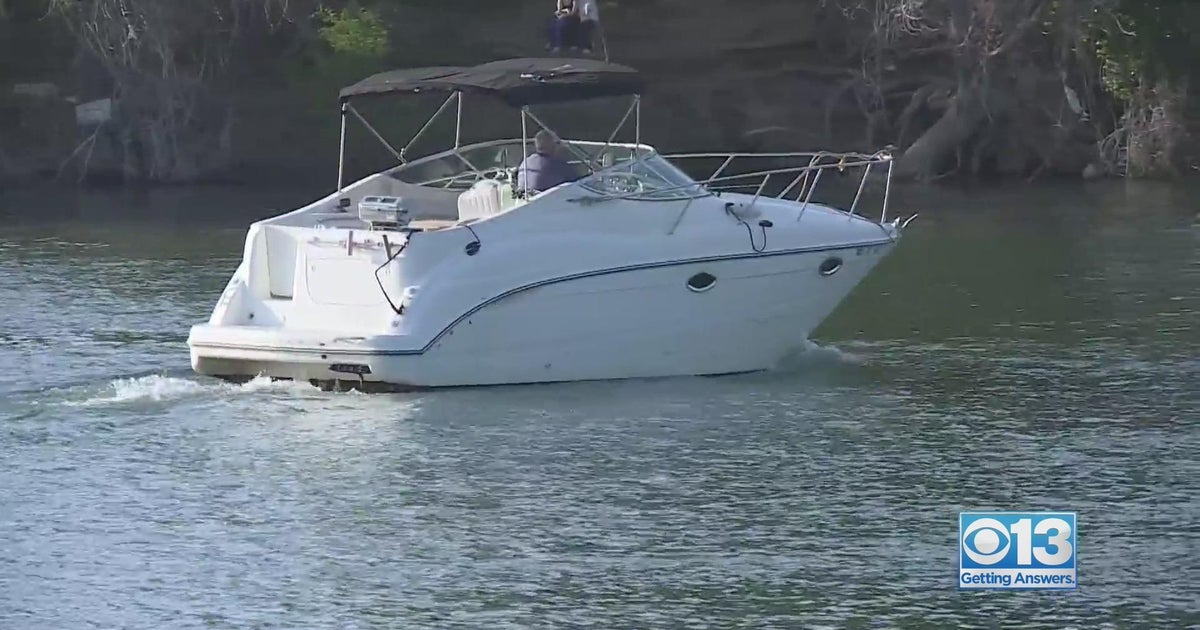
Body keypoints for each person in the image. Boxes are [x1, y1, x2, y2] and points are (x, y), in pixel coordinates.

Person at [517, 130, 579, 195]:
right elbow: (577, 182)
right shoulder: (558, 165)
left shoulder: (526, 161)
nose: (560, 146)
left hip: (524, 199)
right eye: (557, 143)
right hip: (547, 201)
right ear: (551, 145)